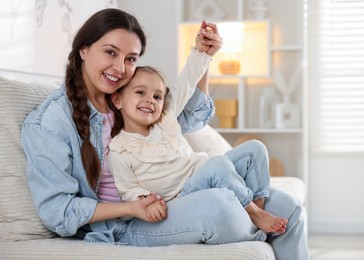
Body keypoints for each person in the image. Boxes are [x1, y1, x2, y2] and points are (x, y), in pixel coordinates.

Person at [21, 8, 309, 260]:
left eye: (131, 58)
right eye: (110, 52)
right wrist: (133, 207)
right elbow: (58, 211)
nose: (120, 67)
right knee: (219, 206)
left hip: (180, 191)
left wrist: (204, 59)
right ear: (84, 49)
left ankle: (253, 218)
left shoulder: (127, 94)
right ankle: (251, 224)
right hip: (130, 221)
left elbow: (189, 117)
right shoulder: (50, 123)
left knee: (290, 209)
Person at [108, 64, 287, 234]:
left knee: (255, 148)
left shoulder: (166, 121)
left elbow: (186, 81)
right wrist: (147, 201)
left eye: (157, 97)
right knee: (216, 165)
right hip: (182, 196)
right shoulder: (120, 150)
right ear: (118, 100)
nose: (150, 100)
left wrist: (202, 53)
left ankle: (258, 208)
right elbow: (128, 190)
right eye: (140, 92)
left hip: (204, 174)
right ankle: (254, 213)